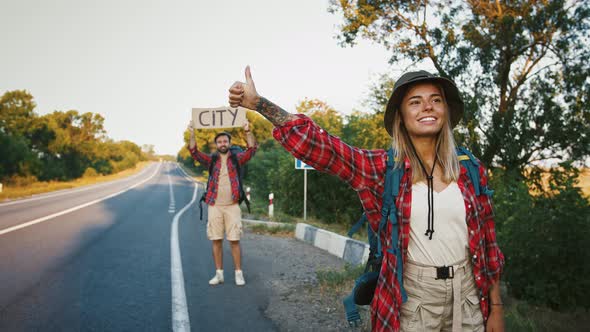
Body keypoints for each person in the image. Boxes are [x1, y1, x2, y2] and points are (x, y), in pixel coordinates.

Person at [228, 67, 505, 331]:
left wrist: (496, 307)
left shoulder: (471, 169)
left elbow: (488, 245)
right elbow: (323, 147)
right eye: (415, 102)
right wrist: (260, 104)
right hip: (413, 297)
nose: (428, 107)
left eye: (435, 100)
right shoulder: (381, 169)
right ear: (401, 117)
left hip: (469, 294)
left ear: (445, 110)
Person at [187, 121, 258, 286]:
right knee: (216, 240)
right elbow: (194, 152)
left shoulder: (237, 159)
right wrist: (192, 133)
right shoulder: (211, 160)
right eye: (219, 142)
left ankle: (238, 274)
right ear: (216, 144)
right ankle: (219, 274)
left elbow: (251, 150)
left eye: (225, 141)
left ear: (229, 143)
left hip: (232, 205)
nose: (222, 144)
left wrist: (248, 131)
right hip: (215, 206)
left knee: (234, 240)